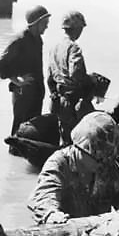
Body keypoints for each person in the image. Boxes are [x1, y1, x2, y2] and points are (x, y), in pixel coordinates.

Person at [28, 112, 119, 224]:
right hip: (64, 230)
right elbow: (45, 198)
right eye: (98, 158)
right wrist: (52, 215)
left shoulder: (108, 167)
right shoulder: (59, 164)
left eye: (106, 158)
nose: (102, 163)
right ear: (80, 147)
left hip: (95, 232)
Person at [0, 5, 50, 144]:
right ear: (36, 23)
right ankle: (13, 156)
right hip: (23, 93)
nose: (47, 27)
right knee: (19, 131)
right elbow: (0, 64)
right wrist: (17, 80)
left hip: (36, 92)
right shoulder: (19, 40)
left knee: (31, 132)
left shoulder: (38, 40)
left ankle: (20, 164)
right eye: (45, 23)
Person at [47, 11, 94, 145]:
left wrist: (54, 95)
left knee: (65, 138)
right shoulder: (73, 47)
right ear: (77, 28)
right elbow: (76, 74)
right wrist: (90, 80)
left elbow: (49, 78)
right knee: (81, 137)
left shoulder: (54, 48)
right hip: (73, 101)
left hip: (60, 100)